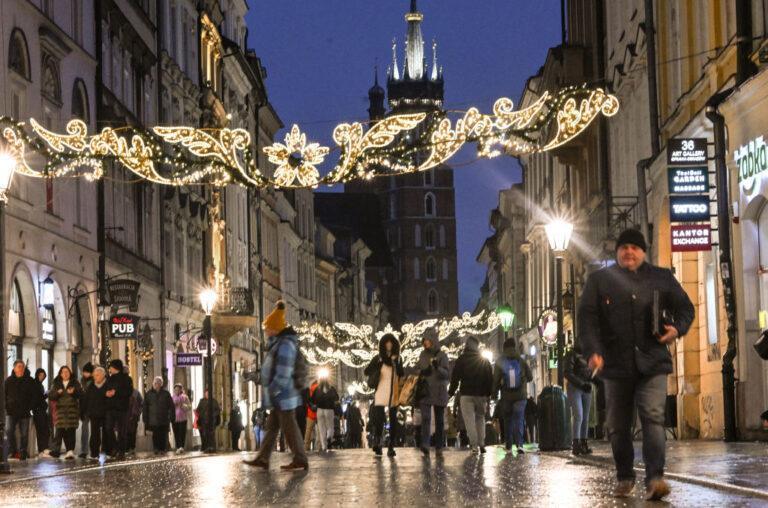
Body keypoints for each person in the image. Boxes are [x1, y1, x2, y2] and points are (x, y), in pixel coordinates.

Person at [579, 228, 694, 501]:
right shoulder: (599, 281)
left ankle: (655, 478)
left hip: (652, 361)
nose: (629, 252)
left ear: (643, 251)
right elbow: (587, 320)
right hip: (615, 365)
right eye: (624, 247)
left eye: (634, 247)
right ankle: (625, 476)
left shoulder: (661, 277)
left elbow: (686, 309)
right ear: (617, 252)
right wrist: (593, 351)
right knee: (618, 425)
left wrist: (676, 329)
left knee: (653, 417)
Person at [243, 301, 308, 471]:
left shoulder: (285, 345)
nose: (265, 331)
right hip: (280, 395)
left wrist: (273, 390)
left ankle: (300, 458)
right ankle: (263, 458)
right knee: (271, 428)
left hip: (283, 395)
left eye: (267, 328)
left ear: (275, 329)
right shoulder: (279, 344)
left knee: (289, 428)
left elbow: (283, 372)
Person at [448, 336, 493, 454]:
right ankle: (481, 443)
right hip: (481, 394)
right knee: (480, 418)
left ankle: (474, 445)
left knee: (469, 421)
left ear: (467, 345)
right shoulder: (483, 360)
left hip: (466, 394)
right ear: (477, 346)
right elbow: (489, 378)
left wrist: (451, 392)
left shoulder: (462, 359)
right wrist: (489, 393)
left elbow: (455, 378)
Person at [364, 333, 404, 457]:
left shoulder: (398, 358)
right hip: (381, 390)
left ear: (394, 344)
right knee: (378, 419)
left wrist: (396, 363)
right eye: (387, 342)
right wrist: (378, 364)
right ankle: (378, 443)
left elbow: (401, 373)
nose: (389, 345)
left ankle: (391, 446)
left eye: (391, 342)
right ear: (383, 344)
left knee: (393, 419)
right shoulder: (378, 358)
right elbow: (367, 371)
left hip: (393, 391)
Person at [494, 338, 532, 455]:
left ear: (504, 348)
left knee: (508, 420)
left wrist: (494, 394)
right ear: (514, 347)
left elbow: (495, 380)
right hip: (520, 396)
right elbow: (530, 377)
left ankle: (509, 445)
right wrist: (523, 380)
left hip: (506, 396)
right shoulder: (520, 360)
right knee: (519, 419)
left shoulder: (500, 361)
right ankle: (520, 444)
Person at [415, 331, 449, 456]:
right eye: (424, 340)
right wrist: (422, 371)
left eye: (428, 340)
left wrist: (437, 367)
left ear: (433, 340)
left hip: (439, 391)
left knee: (439, 420)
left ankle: (439, 446)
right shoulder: (422, 355)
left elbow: (446, 374)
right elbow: (418, 369)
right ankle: (425, 444)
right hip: (426, 390)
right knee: (425, 418)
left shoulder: (442, 355)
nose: (425, 342)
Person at [564, 344, 594, 456]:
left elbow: (590, 372)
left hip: (586, 387)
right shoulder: (571, 354)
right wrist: (582, 384)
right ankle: (576, 444)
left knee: (585, 417)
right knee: (579, 415)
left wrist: (594, 380)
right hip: (575, 387)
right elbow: (568, 373)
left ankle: (583, 443)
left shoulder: (588, 354)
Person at [48, 366, 83, 459]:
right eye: (63, 372)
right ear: (60, 374)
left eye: (67, 372)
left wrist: (73, 392)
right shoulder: (56, 383)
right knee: (59, 431)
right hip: (60, 411)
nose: (65, 373)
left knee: (71, 431)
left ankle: (70, 451)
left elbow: (81, 394)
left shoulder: (75, 383)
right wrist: (57, 393)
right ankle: (56, 451)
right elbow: (51, 396)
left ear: (70, 373)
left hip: (72, 411)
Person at [4, 360, 37, 460]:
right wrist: (6, 406)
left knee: (24, 434)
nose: (21, 369)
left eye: (22, 367)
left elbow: (34, 396)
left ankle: (23, 452)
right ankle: (12, 451)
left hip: (25, 412)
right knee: (9, 431)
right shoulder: (8, 381)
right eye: (19, 366)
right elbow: (4, 395)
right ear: (14, 368)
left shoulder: (30, 381)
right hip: (11, 411)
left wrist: (30, 407)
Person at [104, 359, 133, 460]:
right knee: (108, 428)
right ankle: (115, 446)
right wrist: (107, 393)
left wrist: (115, 392)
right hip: (110, 408)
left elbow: (128, 392)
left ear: (115, 367)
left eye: (111, 367)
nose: (110, 369)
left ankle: (121, 451)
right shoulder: (109, 379)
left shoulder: (126, 379)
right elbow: (105, 389)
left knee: (122, 431)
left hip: (122, 408)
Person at [82, 366, 109, 459]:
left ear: (103, 375)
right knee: (94, 434)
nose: (95, 377)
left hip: (106, 413)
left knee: (106, 432)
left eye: (97, 375)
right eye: (94, 375)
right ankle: (94, 453)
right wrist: (84, 411)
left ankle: (107, 451)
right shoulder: (91, 386)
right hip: (94, 413)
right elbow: (86, 399)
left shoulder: (108, 385)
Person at [143, 376, 175, 454]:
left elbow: (171, 406)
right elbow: (145, 407)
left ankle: (162, 449)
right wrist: (145, 418)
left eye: (158, 383)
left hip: (163, 418)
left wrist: (172, 416)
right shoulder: (148, 394)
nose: (156, 384)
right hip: (153, 419)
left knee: (163, 435)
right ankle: (156, 449)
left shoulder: (166, 394)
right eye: (155, 383)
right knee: (155, 435)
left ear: (161, 384)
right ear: (153, 383)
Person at [310, 375, 339, 453]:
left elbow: (312, 400)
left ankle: (324, 446)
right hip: (329, 410)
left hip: (320, 410)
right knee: (330, 426)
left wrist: (316, 404)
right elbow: (337, 398)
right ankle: (329, 436)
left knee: (321, 429)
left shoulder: (317, 389)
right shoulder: (331, 388)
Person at [32, 368, 51, 457]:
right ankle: (42, 449)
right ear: (37, 375)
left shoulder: (39, 384)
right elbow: (38, 398)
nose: (42, 377)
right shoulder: (35, 384)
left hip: (40, 410)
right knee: (42, 430)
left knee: (44, 430)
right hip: (38, 410)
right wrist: (46, 395)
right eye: (40, 375)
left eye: (43, 375)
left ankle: (43, 449)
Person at [78, 362, 94, 458]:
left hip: (93, 408)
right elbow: (81, 396)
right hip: (84, 408)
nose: (85, 374)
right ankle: (84, 450)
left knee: (94, 430)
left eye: (87, 372)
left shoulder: (94, 381)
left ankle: (94, 449)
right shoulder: (81, 381)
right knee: (84, 429)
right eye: (84, 372)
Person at [171, 383, 191, 453]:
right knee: (176, 433)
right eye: (175, 389)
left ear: (181, 390)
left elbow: (189, 407)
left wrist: (183, 406)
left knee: (182, 433)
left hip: (183, 418)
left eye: (178, 389)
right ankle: (178, 447)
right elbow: (170, 407)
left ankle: (181, 447)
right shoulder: (172, 397)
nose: (177, 391)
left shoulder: (185, 397)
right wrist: (173, 405)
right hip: (174, 419)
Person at [126, 386, 143, 455]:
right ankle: (126, 448)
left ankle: (132, 448)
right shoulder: (122, 391)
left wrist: (138, 413)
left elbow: (141, 403)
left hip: (134, 417)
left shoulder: (136, 393)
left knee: (132, 433)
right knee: (125, 432)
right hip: (125, 416)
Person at [303, 380, 319, 451]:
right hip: (319, 412)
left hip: (310, 413)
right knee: (320, 431)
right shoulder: (320, 388)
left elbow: (307, 400)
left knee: (308, 430)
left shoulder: (309, 389)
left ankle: (306, 447)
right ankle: (320, 447)